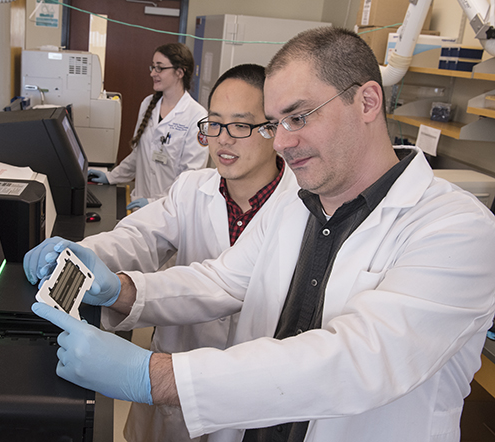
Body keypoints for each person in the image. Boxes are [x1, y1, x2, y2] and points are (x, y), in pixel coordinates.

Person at [29, 27, 495, 442]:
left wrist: (153, 376)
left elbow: (358, 360)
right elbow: (224, 281)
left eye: (299, 117)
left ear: (368, 102)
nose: (281, 141)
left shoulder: (457, 229)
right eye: (276, 123)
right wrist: (121, 290)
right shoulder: (298, 202)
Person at [24, 63, 297, 442]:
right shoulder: (192, 189)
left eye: (240, 125)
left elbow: (223, 285)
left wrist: (122, 290)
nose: (223, 139)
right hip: (174, 370)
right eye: (214, 124)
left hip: (249, 396)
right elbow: (137, 237)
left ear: (273, 129)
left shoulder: (301, 208)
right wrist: (79, 253)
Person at [89, 43, 208, 211]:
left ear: (180, 72)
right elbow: (139, 155)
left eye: (159, 68)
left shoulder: (197, 117)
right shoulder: (148, 104)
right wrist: (110, 176)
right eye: (153, 67)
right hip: (139, 204)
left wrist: (156, 202)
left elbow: (191, 178)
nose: (153, 73)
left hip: (171, 211)